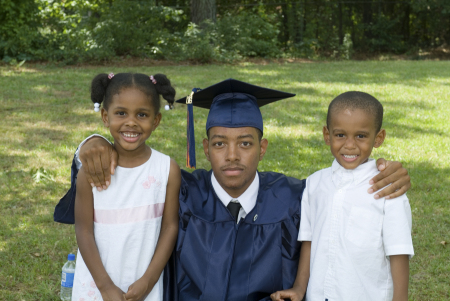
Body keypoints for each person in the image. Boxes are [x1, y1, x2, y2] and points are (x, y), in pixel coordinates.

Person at [55, 79, 411, 301]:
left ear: (263, 148)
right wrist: (92, 142)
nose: (232, 156)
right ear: (205, 148)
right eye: (220, 144)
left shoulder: (293, 196)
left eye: (245, 143)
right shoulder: (183, 192)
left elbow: (341, 190)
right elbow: (123, 177)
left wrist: (383, 170)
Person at [270, 91, 414, 301]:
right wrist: (300, 288)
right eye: (340, 135)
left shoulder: (388, 189)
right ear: (327, 135)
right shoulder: (314, 183)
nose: (349, 145)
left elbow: (398, 252)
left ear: (378, 138)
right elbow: (309, 240)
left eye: (361, 136)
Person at [71, 72, 181, 301]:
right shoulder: (90, 172)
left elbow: (170, 227)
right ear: (105, 116)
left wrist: (149, 280)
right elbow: (83, 230)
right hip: (96, 284)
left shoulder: (166, 169)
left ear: (156, 120)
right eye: (121, 113)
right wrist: (104, 287)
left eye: (142, 114)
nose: (131, 122)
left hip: (145, 285)